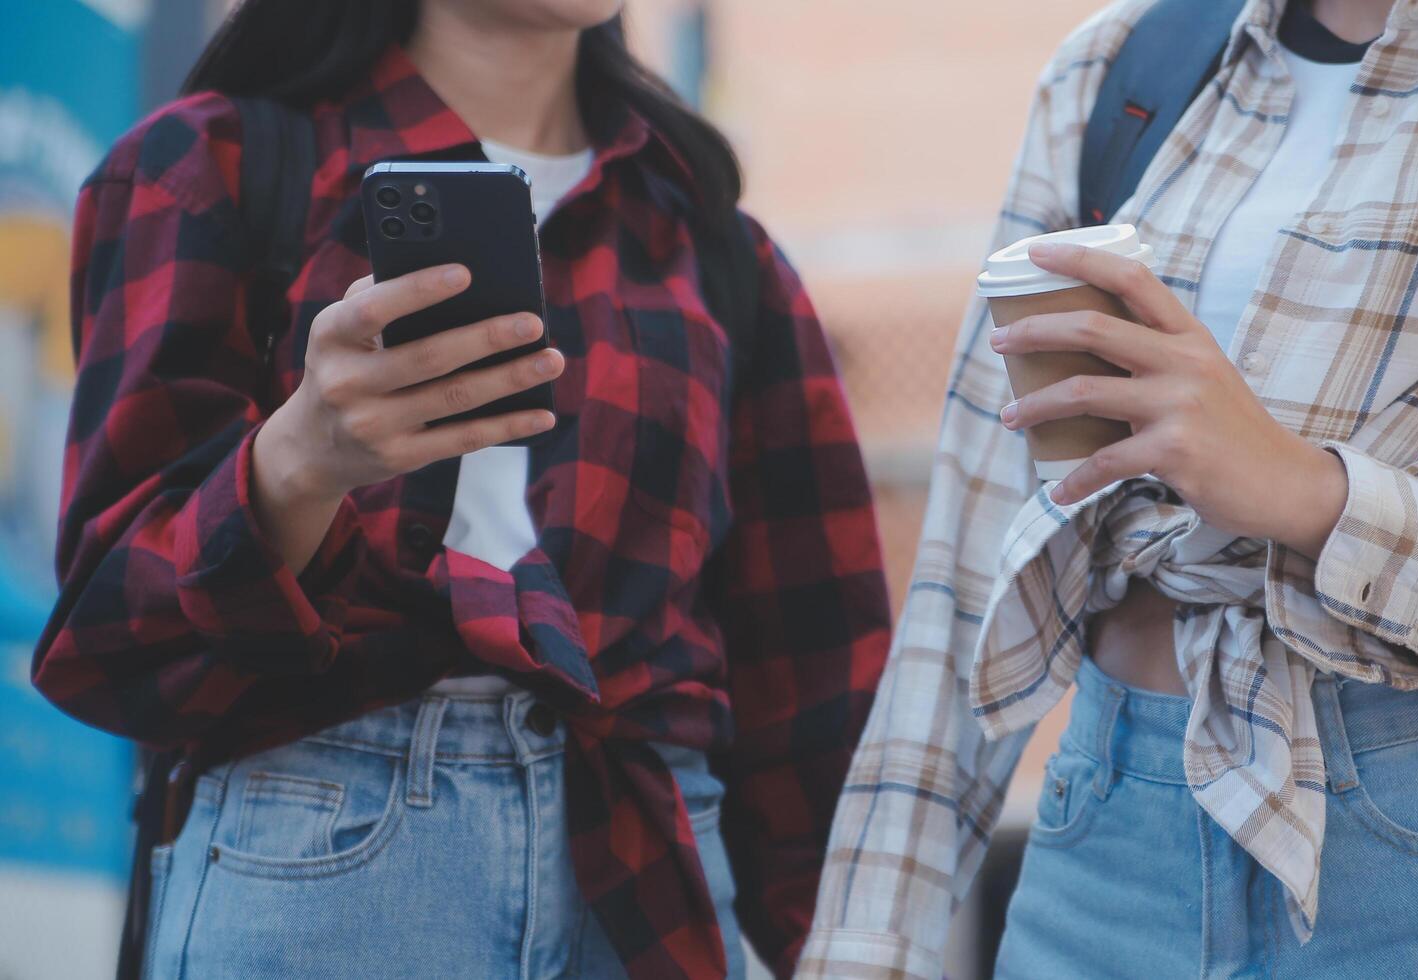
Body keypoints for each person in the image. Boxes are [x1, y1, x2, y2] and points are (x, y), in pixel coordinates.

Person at [801, 0, 1418, 977]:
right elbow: (964, 568)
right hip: (1098, 848)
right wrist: (863, 944)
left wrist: (1315, 498)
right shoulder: (1116, 66)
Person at [33, 1, 891, 977]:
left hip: (652, 864)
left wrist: (849, 940)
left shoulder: (714, 247)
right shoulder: (208, 167)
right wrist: (293, 465)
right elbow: (106, 637)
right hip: (326, 851)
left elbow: (816, 689)